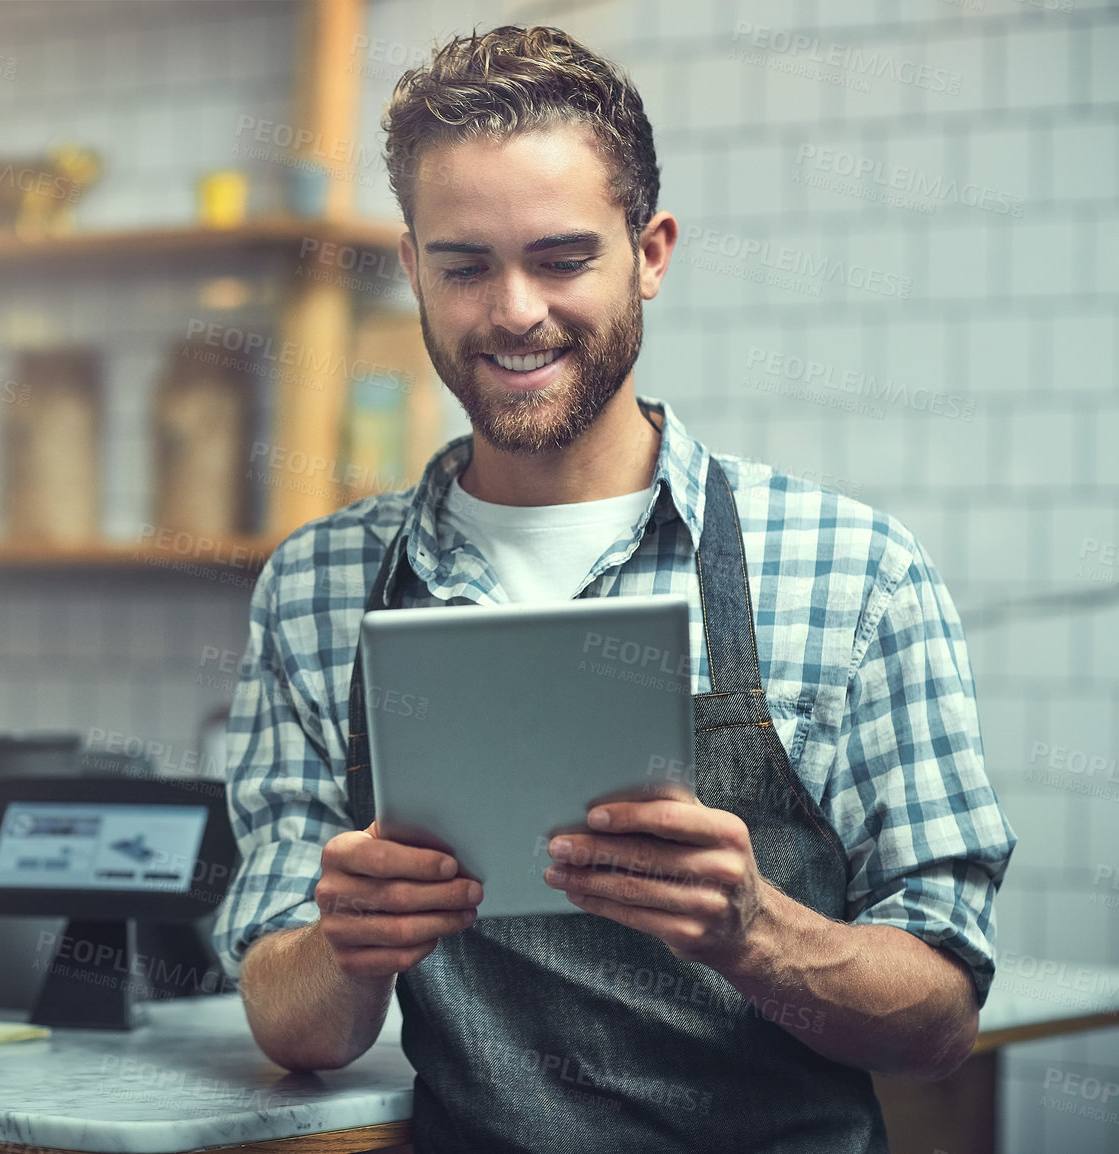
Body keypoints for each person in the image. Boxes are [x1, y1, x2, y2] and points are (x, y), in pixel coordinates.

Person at [210, 24, 1015, 1154]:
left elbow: (939, 1016)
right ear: (411, 272)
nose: (514, 310)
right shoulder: (318, 587)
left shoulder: (850, 572)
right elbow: (290, 1023)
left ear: (650, 252)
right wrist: (346, 944)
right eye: (464, 265)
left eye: (560, 256)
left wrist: (755, 931)